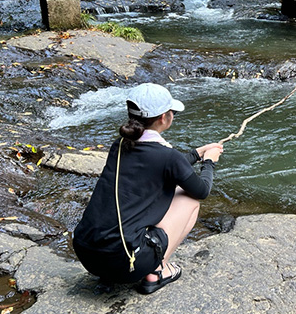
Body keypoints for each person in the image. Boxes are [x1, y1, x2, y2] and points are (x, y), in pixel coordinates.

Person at [72, 83, 223, 294]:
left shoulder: (121, 144)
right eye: (172, 112)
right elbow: (202, 190)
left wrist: (198, 153)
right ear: (164, 117)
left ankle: (131, 266)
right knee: (189, 199)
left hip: (88, 256)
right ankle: (157, 271)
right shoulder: (167, 157)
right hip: (125, 263)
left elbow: (169, 164)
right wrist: (209, 162)